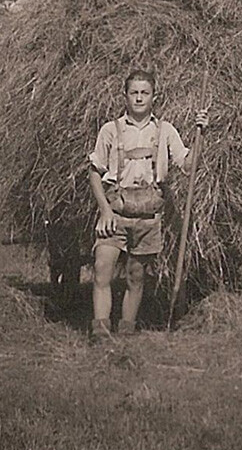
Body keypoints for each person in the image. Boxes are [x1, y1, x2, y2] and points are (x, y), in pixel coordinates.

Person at [86, 70, 208, 338]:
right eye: (134, 93)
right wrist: (105, 211)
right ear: (125, 96)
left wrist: (201, 134)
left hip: (148, 217)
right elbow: (94, 173)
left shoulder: (166, 131)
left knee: (135, 276)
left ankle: (127, 331)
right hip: (116, 213)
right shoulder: (110, 130)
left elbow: (189, 165)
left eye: (145, 93)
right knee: (102, 268)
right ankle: (101, 332)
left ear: (154, 96)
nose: (139, 98)